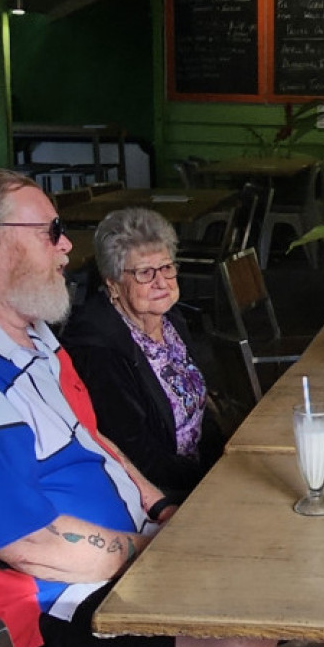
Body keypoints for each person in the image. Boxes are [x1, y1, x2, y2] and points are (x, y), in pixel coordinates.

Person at [0, 169, 270, 647]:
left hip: (105, 558)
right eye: (51, 231)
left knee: (261, 563)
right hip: (41, 614)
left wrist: (161, 506)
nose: (67, 247)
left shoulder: (30, 336)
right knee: (251, 624)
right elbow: (29, 546)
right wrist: (157, 552)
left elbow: (94, 438)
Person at [59, 207, 223, 504]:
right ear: (113, 282)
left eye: (167, 268)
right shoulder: (99, 347)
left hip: (201, 469)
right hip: (159, 494)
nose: (162, 282)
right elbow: (139, 456)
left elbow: (200, 406)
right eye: (145, 273)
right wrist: (212, 482)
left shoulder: (169, 317)